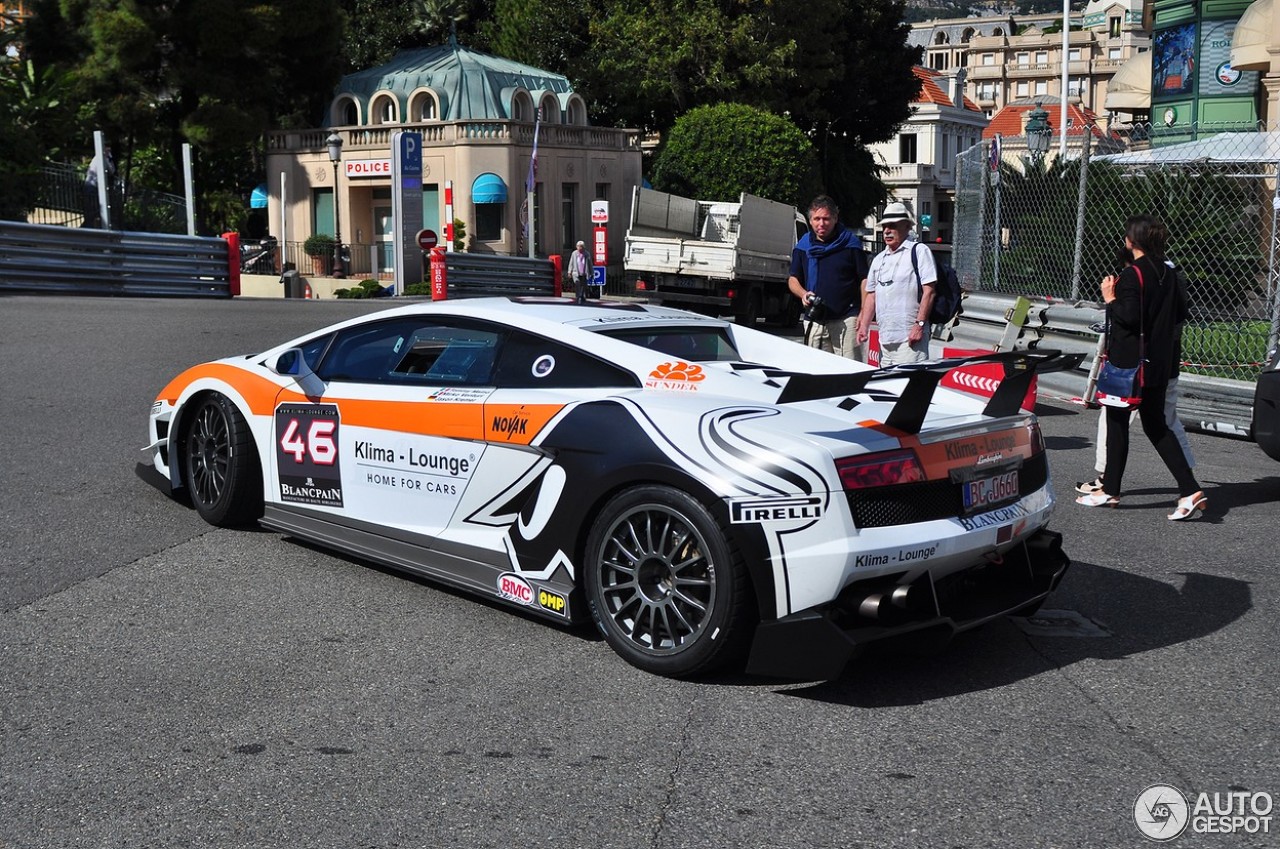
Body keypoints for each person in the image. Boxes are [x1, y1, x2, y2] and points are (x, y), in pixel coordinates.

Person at [1076, 215, 1206, 520]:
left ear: (1131, 241)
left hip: (1129, 364)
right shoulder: (1169, 273)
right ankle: (1189, 490)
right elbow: (1181, 313)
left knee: (1117, 424)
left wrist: (1110, 298)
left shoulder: (1133, 275)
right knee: (1156, 425)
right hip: (1159, 362)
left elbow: (1129, 317)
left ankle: (1110, 491)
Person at [787, 195, 868, 360]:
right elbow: (793, 279)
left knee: (849, 372)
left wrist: (863, 313)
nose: (821, 224)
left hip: (847, 319)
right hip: (815, 320)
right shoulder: (803, 246)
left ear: (835, 218)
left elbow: (865, 280)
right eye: (817, 219)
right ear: (810, 220)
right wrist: (803, 294)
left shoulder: (851, 245)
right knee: (818, 372)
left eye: (826, 219)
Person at [857, 201, 935, 366]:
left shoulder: (919, 251)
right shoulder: (878, 259)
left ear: (906, 226)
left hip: (910, 340)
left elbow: (929, 291)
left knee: (910, 389)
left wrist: (919, 325)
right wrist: (864, 325)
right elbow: (872, 295)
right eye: (885, 226)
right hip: (885, 340)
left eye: (892, 226)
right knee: (887, 388)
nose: (887, 231)